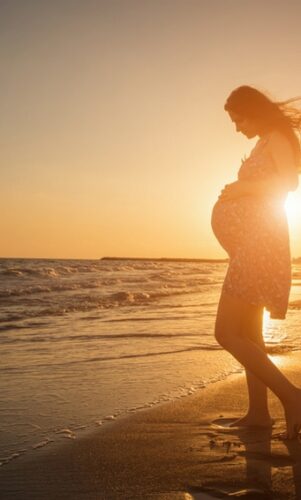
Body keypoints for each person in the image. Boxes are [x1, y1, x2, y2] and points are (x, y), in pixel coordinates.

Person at [211, 85, 301, 439]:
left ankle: (293, 397)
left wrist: (241, 189)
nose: (237, 128)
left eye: (239, 119)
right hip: (251, 244)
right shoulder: (263, 141)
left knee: (226, 332)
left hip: (260, 245)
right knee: (249, 333)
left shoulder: (279, 135)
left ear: (254, 110)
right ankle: (259, 414)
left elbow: (289, 183)